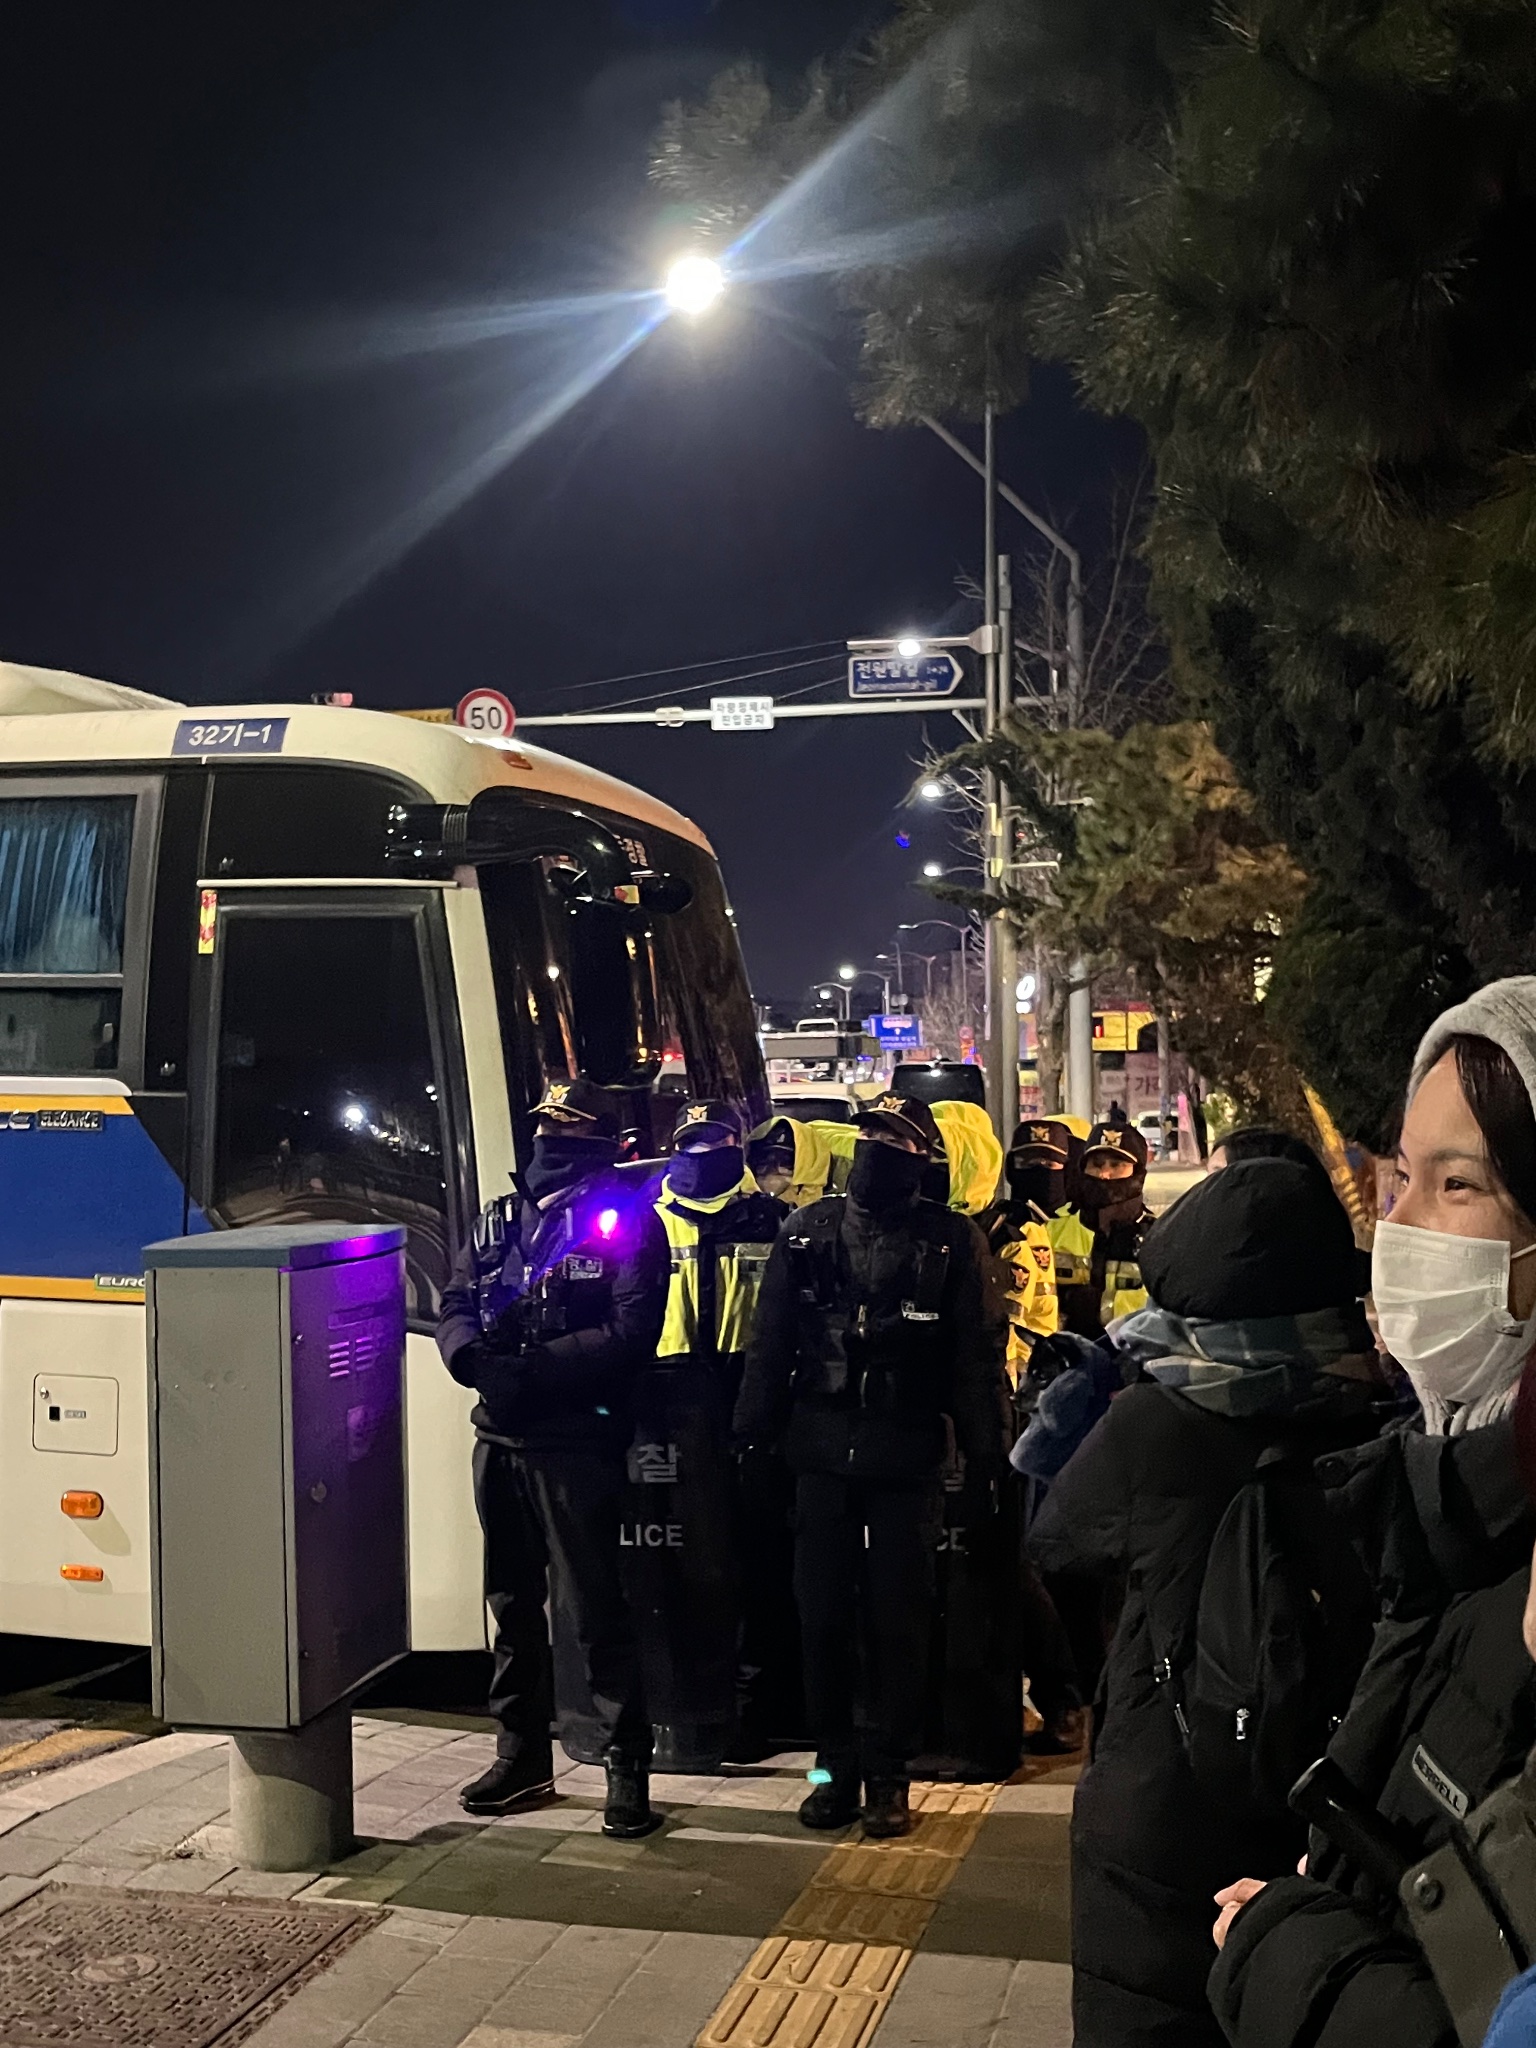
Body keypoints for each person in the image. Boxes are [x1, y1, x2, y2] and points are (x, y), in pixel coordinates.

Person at [1209, 980, 1536, 2046]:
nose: (1400, 1226)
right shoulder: (1440, 1490)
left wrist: (1282, 1946)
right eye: (1401, 1174)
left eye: (1460, 1184)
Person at [1030, 1157, 1384, 2048]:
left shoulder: (1153, 1420)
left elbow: (1054, 1542)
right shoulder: (1379, 1415)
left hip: (1163, 1806)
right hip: (1334, 1809)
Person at [733, 1090, 1009, 1838]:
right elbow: (770, 1348)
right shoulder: (806, 1233)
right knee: (820, 1616)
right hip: (819, 1452)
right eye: (870, 1136)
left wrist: (988, 1460)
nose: (876, 1149)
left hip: (906, 1455)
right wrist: (751, 1441)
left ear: (922, 1156)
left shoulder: (950, 1242)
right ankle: (831, 1768)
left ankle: (889, 1775)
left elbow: (975, 1361)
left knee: (899, 1621)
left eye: (895, 1138)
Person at [436, 1076, 671, 1838]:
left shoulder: (628, 1219)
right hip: (499, 1438)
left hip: (576, 1444)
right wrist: (472, 1360)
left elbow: (633, 1328)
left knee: (597, 1608)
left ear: (601, 1139)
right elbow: (457, 1298)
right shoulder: (501, 1216)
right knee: (511, 1607)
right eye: (546, 1121)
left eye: (568, 1124)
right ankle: (520, 1755)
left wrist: (536, 1370)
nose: (551, 1135)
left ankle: (624, 1765)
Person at [654, 1099, 790, 1756]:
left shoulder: (772, 1220)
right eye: (693, 1139)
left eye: (717, 1140)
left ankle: (748, 1709)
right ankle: (692, 1704)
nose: (704, 1152)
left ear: (738, 1145)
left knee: (756, 1559)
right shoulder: (644, 1222)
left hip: (748, 1404)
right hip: (671, 1406)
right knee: (685, 1562)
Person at [984, 1119, 1068, 1380]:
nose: (1041, 1172)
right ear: (1011, 1169)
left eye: (1049, 1163)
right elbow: (1010, 1323)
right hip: (1025, 1377)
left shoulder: (1041, 1224)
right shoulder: (1017, 1229)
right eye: (1029, 1164)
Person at [1055, 1121, 1154, 1338]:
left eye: (1117, 1165)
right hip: (1065, 1359)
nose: (1104, 1175)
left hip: (1134, 1359)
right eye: (1097, 1164)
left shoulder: (1160, 1237)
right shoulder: (1053, 1229)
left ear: (1138, 1173)